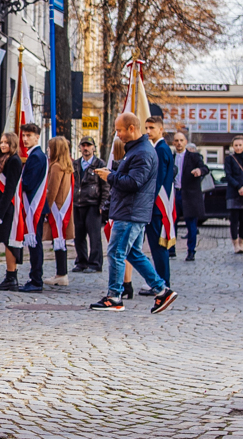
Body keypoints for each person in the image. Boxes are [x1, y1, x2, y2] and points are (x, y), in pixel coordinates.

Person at [90, 113, 177, 314]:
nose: (117, 134)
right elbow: (130, 178)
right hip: (131, 211)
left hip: (131, 212)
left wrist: (110, 176)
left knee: (116, 252)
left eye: (120, 130)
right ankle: (161, 290)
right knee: (132, 253)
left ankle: (114, 297)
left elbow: (134, 183)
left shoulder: (143, 152)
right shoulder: (138, 150)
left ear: (131, 128)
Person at [6, 123, 50, 291]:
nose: (25, 139)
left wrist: (19, 183)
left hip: (34, 207)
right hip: (33, 205)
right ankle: (35, 278)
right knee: (34, 244)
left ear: (37, 137)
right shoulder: (36, 155)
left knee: (35, 244)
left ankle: (36, 280)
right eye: (23, 136)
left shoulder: (36, 156)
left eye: (29, 136)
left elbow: (29, 183)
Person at [141, 112, 175, 294]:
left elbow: (157, 180)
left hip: (157, 206)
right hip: (156, 205)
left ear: (161, 129)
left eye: (151, 128)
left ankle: (162, 284)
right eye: (146, 128)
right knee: (156, 246)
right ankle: (161, 281)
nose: (148, 131)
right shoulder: (159, 148)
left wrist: (148, 203)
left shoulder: (161, 150)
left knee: (158, 246)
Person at [0, 132, 22, 287]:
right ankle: (10, 274)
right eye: (1, 142)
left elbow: (10, 188)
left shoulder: (14, 161)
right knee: (6, 241)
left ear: (13, 144)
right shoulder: (4, 159)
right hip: (2, 205)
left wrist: (0, 212)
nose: (3, 145)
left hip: (8, 208)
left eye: (7, 143)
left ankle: (11, 276)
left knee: (10, 242)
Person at [42, 136, 75, 285]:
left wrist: (45, 209)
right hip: (63, 206)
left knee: (59, 240)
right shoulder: (66, 165)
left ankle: (61, 274)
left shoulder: (56, 166)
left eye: (50, 147)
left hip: (57, 208)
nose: (48, 150)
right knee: (59, 241)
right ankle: (61, 273)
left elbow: (52, 189)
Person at [173, 132, 211, 263]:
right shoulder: (171, 157)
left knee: (191, 225)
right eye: (176, 140)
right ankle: (171, 249)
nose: (179, 143)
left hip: (190, 195)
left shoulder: (193, 157)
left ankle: (191, 251)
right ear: (173, 143)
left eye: (181, 140)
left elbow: (205, 168)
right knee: (172, 223)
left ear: (185, 142)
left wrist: (199, 171)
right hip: (175, 193)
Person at [74, 136, 107, 272]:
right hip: (78, 203)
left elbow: (105, 186)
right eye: (83, 145)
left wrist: (103, 205)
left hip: (93, 204)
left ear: (93, 148)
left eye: (88, 145)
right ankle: (81, 261)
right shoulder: (75, 164)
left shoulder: (99, 164)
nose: (86, 148)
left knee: (94, 236)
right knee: (78, 236)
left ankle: (95, 263)